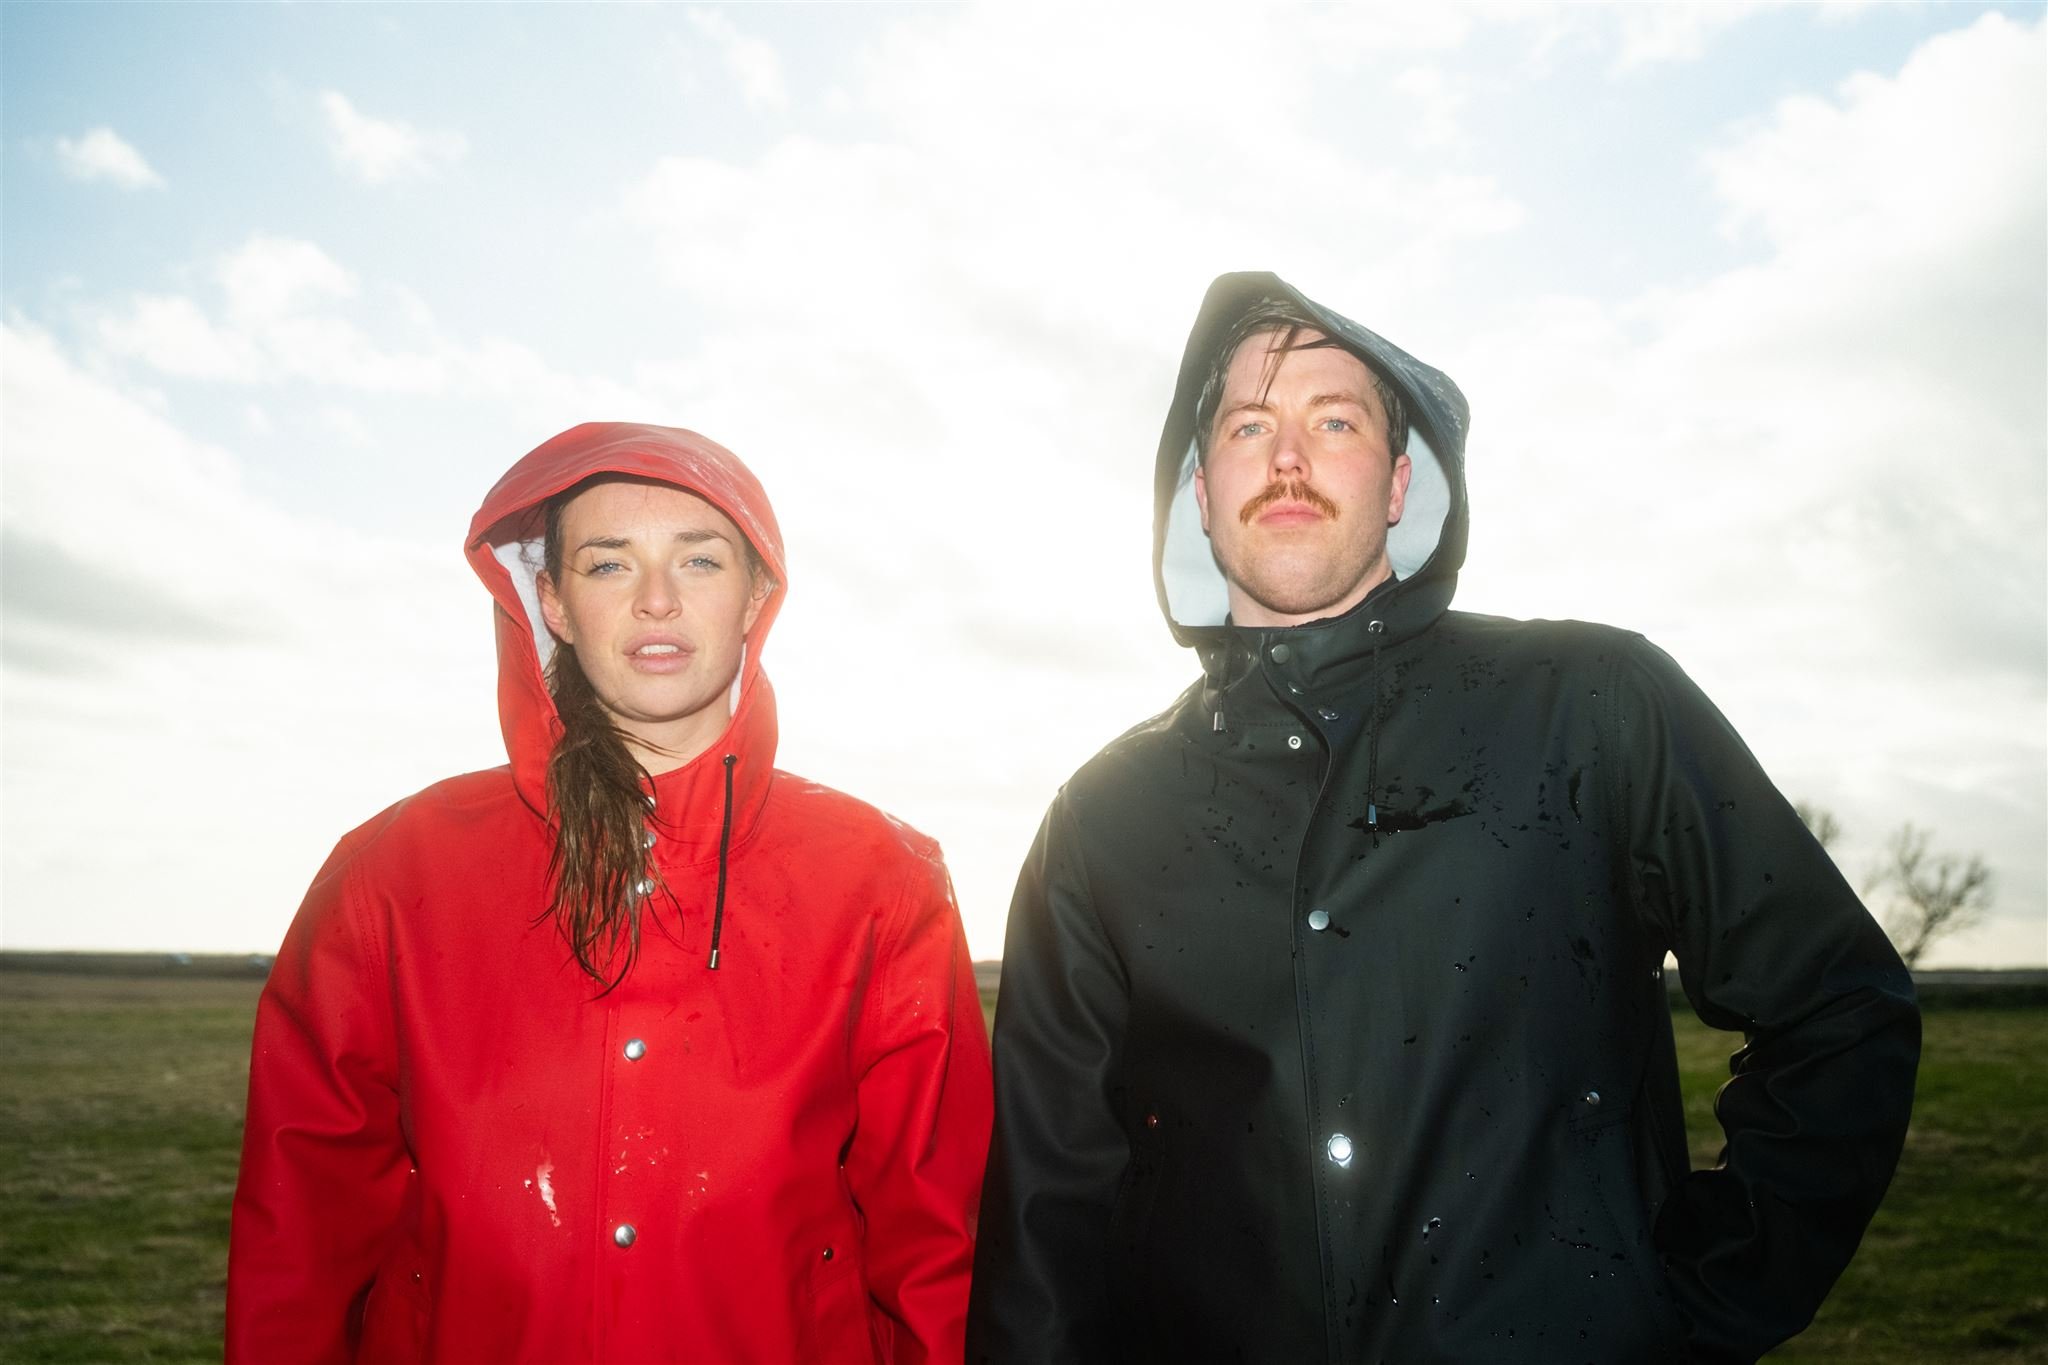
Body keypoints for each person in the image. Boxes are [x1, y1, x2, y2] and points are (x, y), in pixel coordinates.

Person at [968, 273, 1919, 1364]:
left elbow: (1840, 1010)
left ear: (1399, 482)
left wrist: (1689, 1307)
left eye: (1334, 421)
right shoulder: (1099, 820)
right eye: (1248, 426)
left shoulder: (1592, 706)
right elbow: (1046, 1224)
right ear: (1198, 488)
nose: (1288, 457)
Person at [229, 422, 992, 1364]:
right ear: (550, 598)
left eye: (699, 559)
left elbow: (939, 1250)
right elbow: (299, 1237)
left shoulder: (882, 879)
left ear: (758, 594)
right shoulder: (390, 872)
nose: (657, 599)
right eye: (608, 563)